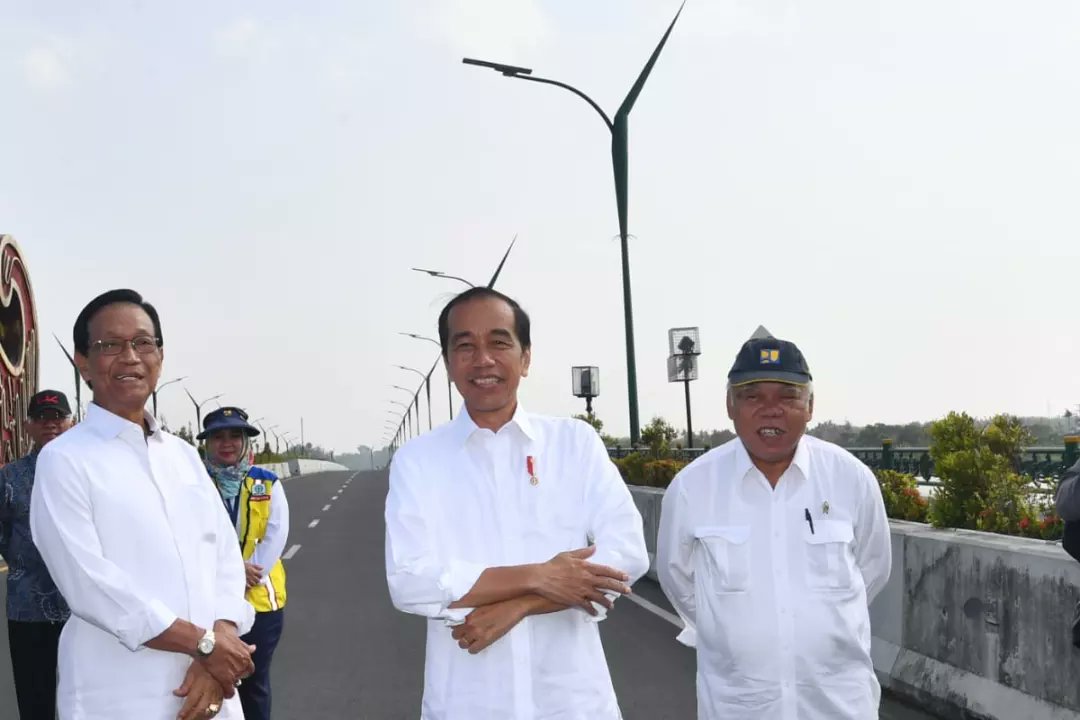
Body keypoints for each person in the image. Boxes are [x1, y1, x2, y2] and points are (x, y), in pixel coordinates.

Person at [385, 286, 649, 720]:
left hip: (574, 702)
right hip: (467, 703)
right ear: (449, 363)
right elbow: (410, 581)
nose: (483, 359)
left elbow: (627, 553)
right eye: (465, 346)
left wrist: (521, 603)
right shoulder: (418, 461)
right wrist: (541, 576)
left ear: (525, 358)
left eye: (499, 342)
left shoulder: (573, 443)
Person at [30, 289, 255, 720]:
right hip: (120, 693)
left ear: (160, 356)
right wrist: (204, 644)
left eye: (143, 342)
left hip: (210, 687)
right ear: (82, 363)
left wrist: (223, 635)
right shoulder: (65, 460)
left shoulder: (184, 455)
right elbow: (89, 584)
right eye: (109, 345)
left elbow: (224, 554)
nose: (130, 356)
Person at [657, 334, 892, 720]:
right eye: (752, 396)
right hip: (739, 704)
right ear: (730, 405)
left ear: (811, 405)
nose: (771, 410)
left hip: (837, 706)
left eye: (787, 396)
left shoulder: (851, 479)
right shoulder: (692, 488)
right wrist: (734, 633)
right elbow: (677, 578)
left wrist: (818, 624)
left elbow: (874, 569)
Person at [199, 406, 290, 720]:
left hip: (260, 600)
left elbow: (276, 533)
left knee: (253, 682)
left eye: (235, 436)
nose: (227, 443)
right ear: (206, 443)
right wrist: (234, 572)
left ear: (245, 441)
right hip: (207, 602)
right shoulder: (193, 483)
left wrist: (248, 572)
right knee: (209, 681)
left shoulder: (266, 482)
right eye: (218, 436)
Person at [0, 390, 74, 720]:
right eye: (42, 419)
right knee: (35, 700)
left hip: (86, 612)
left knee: (89, 699)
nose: (51, 425)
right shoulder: (10, 477)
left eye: (58, 417)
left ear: (71, 422)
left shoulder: (89, 472)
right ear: (28, 426)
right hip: (27, 608)